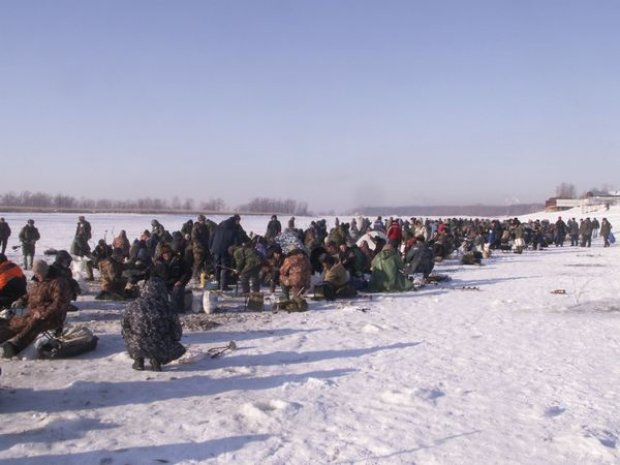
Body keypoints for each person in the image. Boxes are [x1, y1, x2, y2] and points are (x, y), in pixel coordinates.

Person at [0, 259, 73, 358]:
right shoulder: (38, 282)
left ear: (45, 272)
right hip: (33, 313)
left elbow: (59, 304)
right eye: (36, 273)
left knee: (34, 324)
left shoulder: (58, 283)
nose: (37, 276)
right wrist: (21, 300)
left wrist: (42, 313)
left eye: (38, 273)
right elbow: (30, 295)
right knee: (14, 322)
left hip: (52, 317)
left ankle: (14, 347)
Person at [121, 277, 186, 371]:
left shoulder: (133, 304)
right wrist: (173, 339)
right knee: (180, 349)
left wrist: (129, 337)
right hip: (160, 344)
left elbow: (125, 325)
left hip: (137, 343)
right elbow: (176, 331)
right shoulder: (167, 306)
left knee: (133, 338)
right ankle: (157, 360)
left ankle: (138, 360)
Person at [210, 215, 247, 291]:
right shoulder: (234, 229)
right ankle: (223, 286)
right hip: (225, 250)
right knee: (225, 268)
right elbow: (237, 242)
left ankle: (214, 286)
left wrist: (211, 247)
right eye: (238, 221)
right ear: (236, 220)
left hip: (215, 249)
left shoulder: (220, 225)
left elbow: (212, 236)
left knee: (216, 268)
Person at [152, 243, 191, 312]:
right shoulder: (157, 262)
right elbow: (153, 274)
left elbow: (188, 272)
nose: (166, 254)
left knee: (177, 290)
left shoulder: (179, 260)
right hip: (163, 284)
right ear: (161, 254)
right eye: (164, 253)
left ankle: (179, 309)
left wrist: (181, 281)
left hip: (176, 283)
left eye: (168, 252)